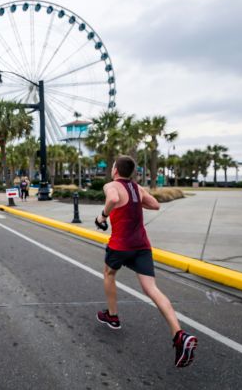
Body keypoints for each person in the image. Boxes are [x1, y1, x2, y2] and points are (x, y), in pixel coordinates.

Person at [94, 155, 197, 368]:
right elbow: (155, 204)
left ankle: (113, 316)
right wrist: (134, 204)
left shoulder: (111, 185)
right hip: (141, 245)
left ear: (115, 170)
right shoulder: (137, 188)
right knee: (152, 289)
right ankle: (179, 335)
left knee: (109, 273)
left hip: (120, 245)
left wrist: (103, 217)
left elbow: (113, 199)